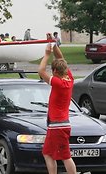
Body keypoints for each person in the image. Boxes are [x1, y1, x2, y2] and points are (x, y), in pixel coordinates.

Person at [38, 44, 77, 174]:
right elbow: (61, 58)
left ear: (54, 71)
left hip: (58, 126)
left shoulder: (57, 83)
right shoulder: (69, 79)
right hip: (57, 125)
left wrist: (47, 54)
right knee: (47, 153)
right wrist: (54, 45)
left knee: (66, 156)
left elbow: (41, 72)